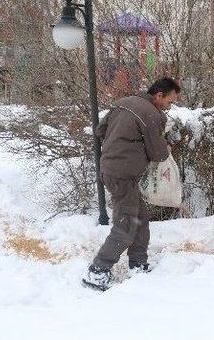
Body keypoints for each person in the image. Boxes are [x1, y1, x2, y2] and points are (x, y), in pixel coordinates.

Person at [83, 77, 180, 290]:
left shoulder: (124, 102)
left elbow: (100, 131)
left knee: (140, 218)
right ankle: (97, 271)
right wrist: (166, 148)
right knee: (126, 224)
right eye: (170, 102)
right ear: (159, 95)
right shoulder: (152, 115)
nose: (169, 107)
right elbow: (157, 154)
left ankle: (138, 264)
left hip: (110, 168)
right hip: (123, 175)